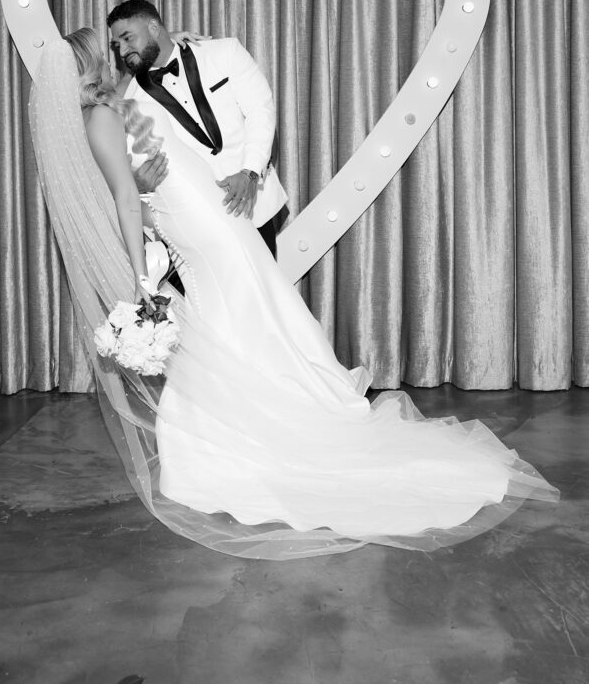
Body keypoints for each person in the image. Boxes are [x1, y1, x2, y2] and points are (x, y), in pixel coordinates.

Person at [29, 32, 558, 561]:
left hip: (204, 219)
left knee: (237, 314)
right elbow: (124, 198)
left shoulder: (116, 104)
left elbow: (141, 177)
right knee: (240, 311)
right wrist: (143, 274)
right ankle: (279, 410)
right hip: (200, 223)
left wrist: (148, 205)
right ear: (86, 65)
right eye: (100, 51)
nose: (110, 54)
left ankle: (245, 431)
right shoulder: (102, 116)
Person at [107, 0, 287, 257]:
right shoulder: (133, 99)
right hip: (197, 227)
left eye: (127, 38)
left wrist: (249, 173)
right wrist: (138, 184)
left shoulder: (224, 52)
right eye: (117, 45)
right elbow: (137, 163)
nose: (122, 51)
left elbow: (261, 111)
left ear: (154, 28)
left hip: (253, 206)